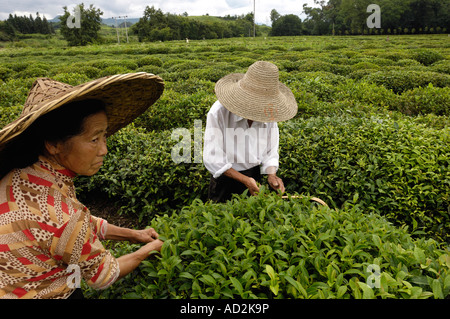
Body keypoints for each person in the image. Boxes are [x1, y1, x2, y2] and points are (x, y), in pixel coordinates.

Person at [0, 73, 165, 299]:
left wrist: (134, 235)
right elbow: (104, 275)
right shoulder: (63, 215)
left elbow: (76, 229)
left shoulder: (23, 174)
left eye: (105, 136)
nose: (104, 150)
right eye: (94, 139)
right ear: (53, 144)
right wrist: (149, 249)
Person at [203, 61, 298, 203]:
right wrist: (244, 180)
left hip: (253, 176)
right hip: (225, 179)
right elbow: (213, 158)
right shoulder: (219, 112)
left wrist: (271, 174)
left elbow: (270, 150)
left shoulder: (269, 111)